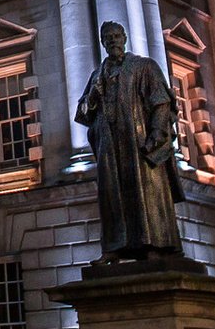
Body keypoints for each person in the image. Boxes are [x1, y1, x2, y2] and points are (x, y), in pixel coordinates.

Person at [75, 20, 184, 261]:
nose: (113, 41)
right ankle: (114, 247)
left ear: (124, 38)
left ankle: (153, 244)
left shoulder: (144, 67)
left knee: (145, 194)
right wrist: (93, 95)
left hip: (139, 143)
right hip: (110, 146)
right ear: (103, 43)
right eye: (108, 38)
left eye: (116, 36)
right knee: (113, 196)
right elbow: (82, 114)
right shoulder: (97, 76)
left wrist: (156, 135)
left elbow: (161, 102)